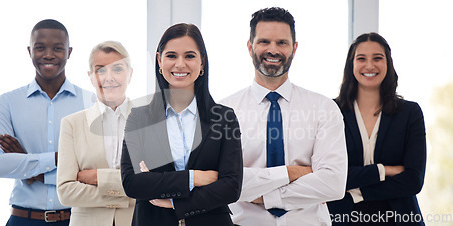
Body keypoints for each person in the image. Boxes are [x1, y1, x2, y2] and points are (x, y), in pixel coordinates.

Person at [220, 7, 348, 225]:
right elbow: (222, 183)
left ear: (294, 48)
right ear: (250, 47)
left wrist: (264, 196)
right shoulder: (223, 111)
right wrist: (294, 172)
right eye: (264, 42)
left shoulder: (324, 108)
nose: (273, 50)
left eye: (282, 42)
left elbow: (333, 184)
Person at [120, 23, 243, 226]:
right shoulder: (138, 119)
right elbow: (132, 183)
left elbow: (231, 186)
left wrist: (175, 203)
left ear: (202, 62)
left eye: (189, 56)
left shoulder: (224, 117)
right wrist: (194, 178)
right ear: (159, 60)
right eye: (171, 56)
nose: (180, 64)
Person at [0, 19, 95, 226]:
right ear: (29, 51)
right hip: (23, 219)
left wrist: (31, 168)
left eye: (57, 48)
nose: (48, 54)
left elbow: (94, 172)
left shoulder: (90, 103)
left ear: (69, 52)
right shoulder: (7, 103)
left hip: (77, 219)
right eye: (40, 48)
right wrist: (61, 158)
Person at [327, 33, 426, 226]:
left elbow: (414, 180)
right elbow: (330, 175)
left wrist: (357, 191)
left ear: (387, 64)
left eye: (377, 58)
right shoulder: (331, 111)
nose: (370, 66)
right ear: (351, 65)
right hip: (342, 219)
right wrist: (383, 170)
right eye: (361, 58)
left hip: (400, 219)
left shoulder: (410, 113)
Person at [56, 41, 135, 226]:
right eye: (100, 70)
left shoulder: (150, 122)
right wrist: (128, 193)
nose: (109, 78)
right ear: (91, 76)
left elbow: (157, 185)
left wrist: (97, 177)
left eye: (117, 69)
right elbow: (66, 192)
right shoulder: (71, 124)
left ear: (130, 74)